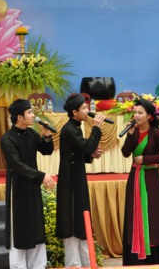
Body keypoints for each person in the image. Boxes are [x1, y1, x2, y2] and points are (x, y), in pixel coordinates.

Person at [0, 99, 56, 269]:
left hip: (32, 186)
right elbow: (17, 165)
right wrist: (41, 176)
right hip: (18, 188)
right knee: (20, 229)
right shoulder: (8, 138)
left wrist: (46, 136)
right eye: (30, 112)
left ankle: (38, 265)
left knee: (36, 227)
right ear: (20, 117)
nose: (33, 115)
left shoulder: (31, 133)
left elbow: (46, 150)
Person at [121, 97, 159, 265]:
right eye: (135, 112)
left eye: (140, 113)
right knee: (134, 212)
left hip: (151, 179)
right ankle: (135, 251)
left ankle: (153, 250)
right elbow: (125, 153)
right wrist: (129, 135)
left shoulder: (156, 133)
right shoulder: (133, 131)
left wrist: (146, 159)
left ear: (149, 116)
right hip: (135, 178)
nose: (136, 116)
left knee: (153, 213)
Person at [56, 93, 105, 267]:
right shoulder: (69, 129)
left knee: (80, 217)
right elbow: (87, 146)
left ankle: (87, 262)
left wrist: (90, 155)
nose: (88, 110)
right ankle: (74, 264)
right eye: (84, 108)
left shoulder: (75, 127)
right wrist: (96, 128)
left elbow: (79, 152)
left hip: (76, 176)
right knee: (71, 218)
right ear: (75, 112)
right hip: (70, 180)